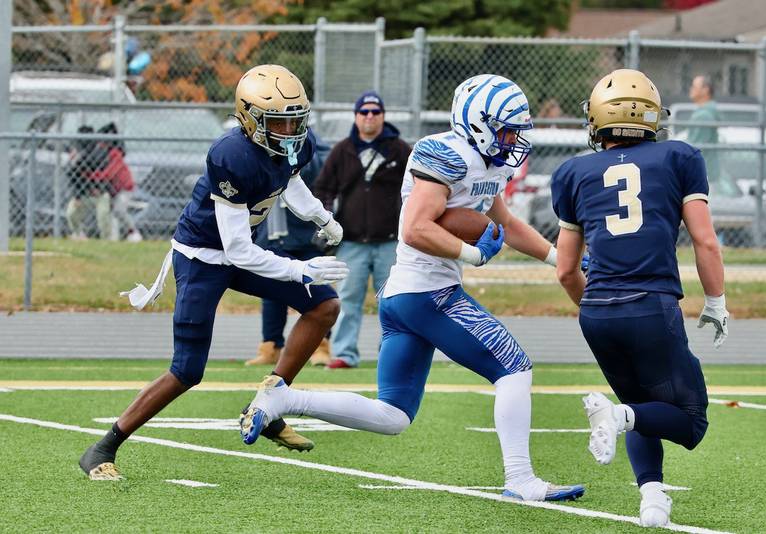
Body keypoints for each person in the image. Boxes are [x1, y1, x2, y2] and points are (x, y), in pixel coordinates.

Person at [240, 74, 585, 503]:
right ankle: (521, 479)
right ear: (478, 122)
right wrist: (471, 254)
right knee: (514, 367)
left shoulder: (489, 163)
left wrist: (559, 257)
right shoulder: (447, 154)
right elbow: (415, 227)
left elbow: (508, 225)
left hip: (408, 296)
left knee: (394, 415)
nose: (513, 138)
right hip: (428, 293)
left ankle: (282, 401)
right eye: (506, 128)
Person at [78, 65, 349, 480]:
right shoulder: (232, 155)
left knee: (324, 306)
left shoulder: (295, 143)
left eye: (296, 119)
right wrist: (299, 268)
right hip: (204, 257)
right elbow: (238, 250)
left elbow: (288, 181)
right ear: (248, 118)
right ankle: (104, 447)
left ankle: (268, 405)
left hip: (242, 250)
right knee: (187, 369)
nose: (291, 129)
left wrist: (321, 219)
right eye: (279, 121)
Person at [550, 69, 729, 527]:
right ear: (652, 115)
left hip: (596, 310)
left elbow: (567, 270)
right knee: (689, 420)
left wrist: (595, 308)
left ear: (597, 120)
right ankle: (618, 419)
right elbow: (705, 242)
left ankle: (652, 500)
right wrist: (715, 302)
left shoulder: (572, 172)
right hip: (651, 305)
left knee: (634, 404)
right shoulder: (679, 156)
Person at [314, 90, 411, 369]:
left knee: (394, 301)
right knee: (347, 299)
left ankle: (392, 355)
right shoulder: (342, 150)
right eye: (364, 112)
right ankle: (344, 353)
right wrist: (328, 216)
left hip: (391, 240)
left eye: (375, 112)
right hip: (352, 241)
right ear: (356, 116)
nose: (370, 117)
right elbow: (323, 189)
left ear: (383, 116)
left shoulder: (400, 149)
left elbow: (417, 189)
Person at [246, 145, 333, 367]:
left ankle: (320, 346)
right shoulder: (256, 148)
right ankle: (271, 346)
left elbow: (315, 175)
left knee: (318, 293)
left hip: (306, 235)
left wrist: (291, 159)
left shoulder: (314, 147)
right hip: (273, 236)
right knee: (271, 294)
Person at [94, 122, 143, 242]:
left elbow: (110, 173)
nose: (99, 145)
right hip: (113, 190)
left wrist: (94, 177)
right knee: (111, 213)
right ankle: (113, 238)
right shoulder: (103, 155)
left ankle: (133, 231)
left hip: (125, 188)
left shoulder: (116, 154)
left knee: (119, 210)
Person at [65, 125, 112, 240]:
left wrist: (80, 159)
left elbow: (99, 169)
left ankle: (106, 240)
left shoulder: (100, 152)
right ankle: (78, 234)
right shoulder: (76, 155)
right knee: (71, 213)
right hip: (83, 193)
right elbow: (73, 176)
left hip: (100, 192)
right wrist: (77, 196)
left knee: (103, 215)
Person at [687, 75, 721, 182]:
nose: (691, 89)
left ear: (705, 90)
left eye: (694, 86)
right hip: (706, 174)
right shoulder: (707, 112)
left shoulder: (704, 115)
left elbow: (695, 148)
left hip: (703, 176)